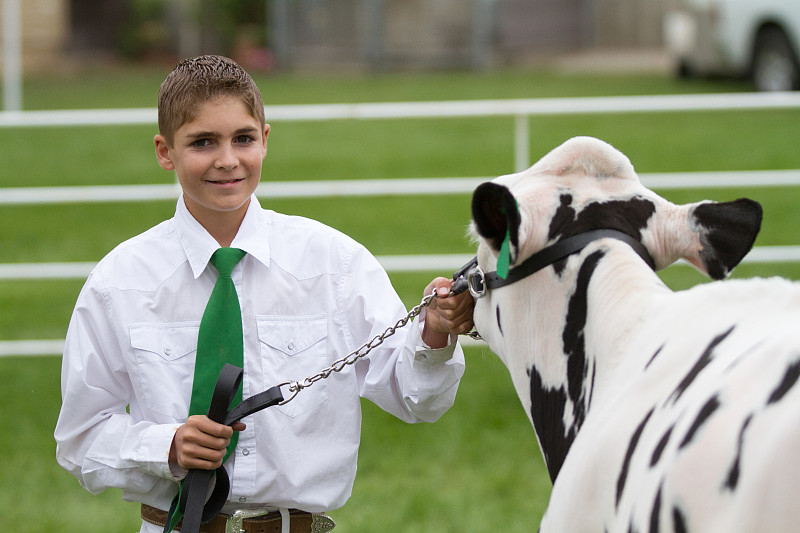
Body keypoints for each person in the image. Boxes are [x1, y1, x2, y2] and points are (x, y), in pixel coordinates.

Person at [54, 55, 473, 533]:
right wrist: (165, 446)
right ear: (164, 151)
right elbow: (79, 439)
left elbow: (416, 399)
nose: (227, 159)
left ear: (265, 139)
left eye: (243, 139)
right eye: (203, 142)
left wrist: (435, 332)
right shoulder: (120, 282)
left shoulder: (332, 264)